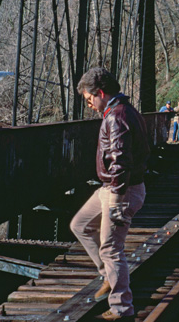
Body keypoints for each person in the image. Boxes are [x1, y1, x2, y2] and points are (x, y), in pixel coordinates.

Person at [70, 67, 150, 321]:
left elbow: (120, 162)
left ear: (101, 93)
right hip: (112, 187)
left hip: (120, 190)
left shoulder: (116, 117)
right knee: (80, 224)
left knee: (111, 248)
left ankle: (121, 308)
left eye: (89, 98)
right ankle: (107, 276)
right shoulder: (124, 110)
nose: (90, 104)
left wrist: (116, 197)